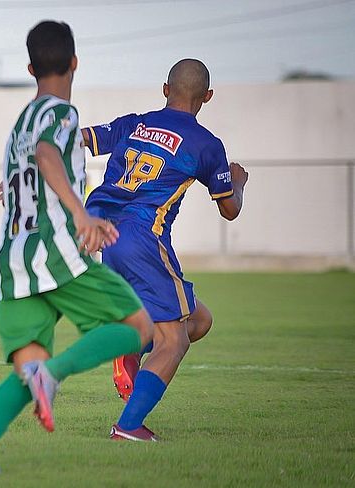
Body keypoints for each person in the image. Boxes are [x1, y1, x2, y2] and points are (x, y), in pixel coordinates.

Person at [0, 21, 153, 474]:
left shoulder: (18, 125)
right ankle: (54, 374)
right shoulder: (62, 114)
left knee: (28, 372)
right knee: (140, 328)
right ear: (75, 62)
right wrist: (81, 213)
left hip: (15, 262)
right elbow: (48, 155)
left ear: (30, 67)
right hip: (59, 253)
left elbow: (30, 167)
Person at [82, 59, 249, 441]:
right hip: (143, 238)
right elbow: (229, 208)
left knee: (199, 320)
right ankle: (128, 427)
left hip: (107, 236)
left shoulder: (133, 124)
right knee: (174, 340)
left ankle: (131, 346)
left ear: (164, 89)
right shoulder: (206, 144)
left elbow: (77, 139)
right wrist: (238, 182)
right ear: (207, 97)